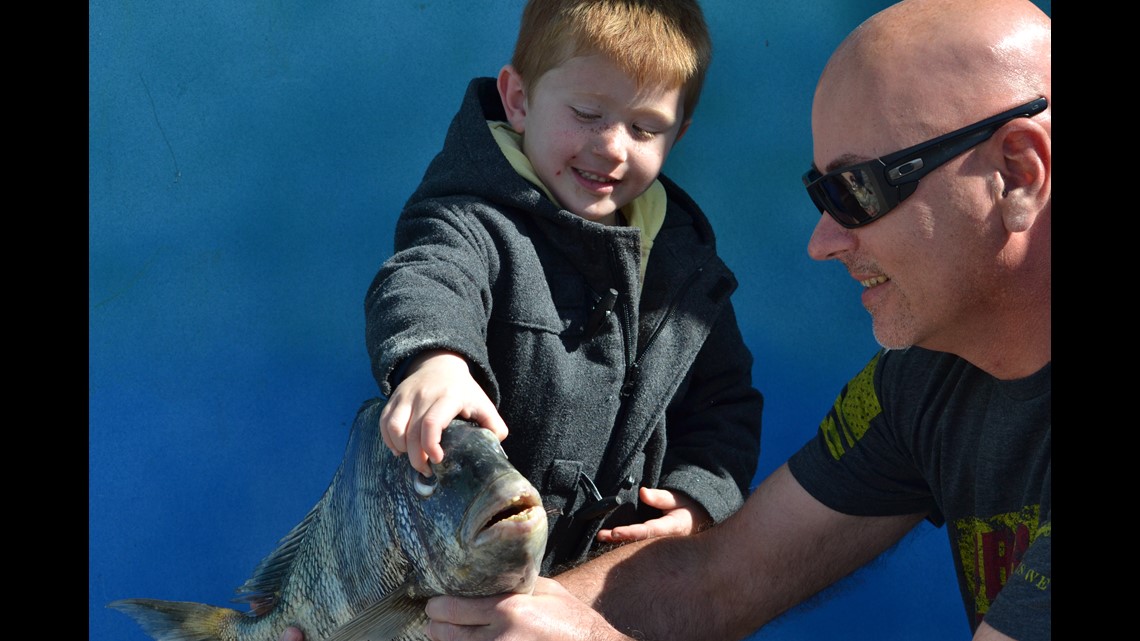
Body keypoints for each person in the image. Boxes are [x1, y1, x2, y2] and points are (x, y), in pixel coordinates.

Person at [411, 0, 1051, 639]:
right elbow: (716, 577)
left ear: (1018, 174)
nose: (822, 241)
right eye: (821, 194)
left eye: (857, 191)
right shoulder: (927, 379)